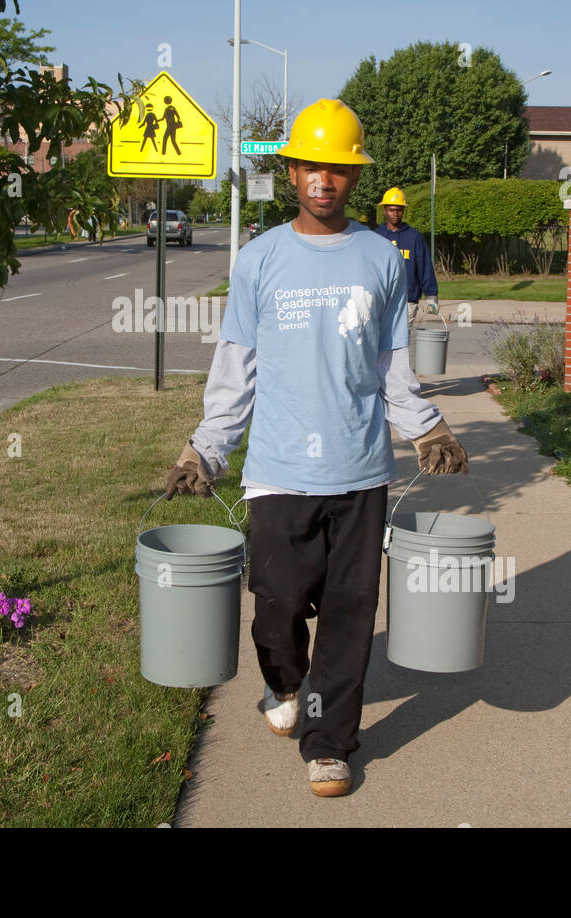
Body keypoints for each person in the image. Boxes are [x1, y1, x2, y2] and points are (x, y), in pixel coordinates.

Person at [163, 98, 468, 798]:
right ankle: (284, 682)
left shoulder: (382, 261)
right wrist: (205, 450)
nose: (323, 180)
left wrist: (426, 426)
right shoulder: (259, 260)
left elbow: (393, 367)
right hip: (277, 473)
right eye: (311, 167)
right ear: (293, 170)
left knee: (349, 613)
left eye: (337, 169)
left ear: (353, 177)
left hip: (360, 471)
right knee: (275, 604)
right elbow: (236, 367)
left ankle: (328, 744)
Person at [375, 188, 438, 331]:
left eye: (399, 210)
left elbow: (424, 266)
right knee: (379, 343)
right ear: (384, 210)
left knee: (401, 342)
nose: (395, 214)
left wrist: (431, 295)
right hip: (380, 299)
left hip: (407, 300)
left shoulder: (414, 237)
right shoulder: (376, 236)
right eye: (391, 210)